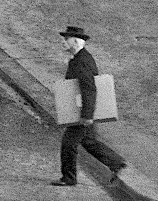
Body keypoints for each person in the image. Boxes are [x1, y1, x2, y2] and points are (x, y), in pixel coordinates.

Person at [51, 25, 126, 187]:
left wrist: (87, 115)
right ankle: (116, 162)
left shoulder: (81, 61)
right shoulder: (79, 59)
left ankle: (69, 178)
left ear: (76, 41)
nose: (63, 42)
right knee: (89, 142)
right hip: (82, 109)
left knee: (68, 143)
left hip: (82, 111)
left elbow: (89, 88)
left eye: (66, 39)